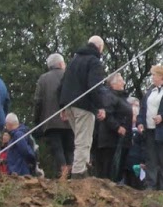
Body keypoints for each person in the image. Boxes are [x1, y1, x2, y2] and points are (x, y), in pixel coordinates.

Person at [58, 37, 109, 176]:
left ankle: (84, 169)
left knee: (81, 138)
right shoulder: (94, 62)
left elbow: (62, 84)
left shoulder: (73, 61)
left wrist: (62, 106)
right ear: (100, 47)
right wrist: (100, 106)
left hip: (69, 105)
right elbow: (95, 87)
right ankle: (79, 173)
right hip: (84, 106)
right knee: (83, 140)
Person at [33, 53, 73, 180]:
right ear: (61, 64)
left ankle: (62, 173)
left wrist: (37, 121)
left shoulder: (43, 79)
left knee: (57, 149)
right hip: (70, 119)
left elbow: (38, 101)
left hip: (51, 121)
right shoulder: (70, 76)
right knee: (70, 149)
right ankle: (71, 175)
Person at [91, 73, 131, 182]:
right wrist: (117, 127)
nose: (124, 83)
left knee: (117, 168)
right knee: (108, 168)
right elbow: (107, 115)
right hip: (110, 139)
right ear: (113, 84)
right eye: (121, 80)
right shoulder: (109, 96)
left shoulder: (121, 97)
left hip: (121, 139)